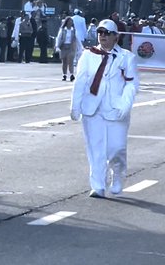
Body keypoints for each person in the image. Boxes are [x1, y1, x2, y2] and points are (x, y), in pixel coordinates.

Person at [70, 19, 139, 198]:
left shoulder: (126, 57)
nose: (103, 36)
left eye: (107, 33)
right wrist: (75, 106)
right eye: (100, 33)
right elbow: (81, 81)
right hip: (92, 108)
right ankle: (98, 185)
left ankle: (117, 175)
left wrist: (125, 105)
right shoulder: (88, 55)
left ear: (116, 36)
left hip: (116, 109)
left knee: (116, 148)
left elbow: (131, 85)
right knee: (96, 148)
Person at [56, 16, 79, 82]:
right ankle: (64, 75)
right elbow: (59, 38)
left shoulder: (73, 30)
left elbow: (77, 39)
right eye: (69, 21)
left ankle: (72, 74)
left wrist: (80, 47)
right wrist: (57, 46)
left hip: (70, 47)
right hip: (63, 46)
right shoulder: (63, 30)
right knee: (64, 62)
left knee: (70, 61)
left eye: (71, 22)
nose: (70, 23)